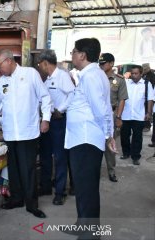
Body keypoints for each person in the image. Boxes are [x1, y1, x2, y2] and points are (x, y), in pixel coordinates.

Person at [0, 49, 52, 219]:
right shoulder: (1, 82)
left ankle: (32, 205)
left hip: (28, 133)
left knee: (28, 170)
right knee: (14, 169)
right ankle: (16, 199)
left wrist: (46, 119)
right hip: (10, 134)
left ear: (9, 60)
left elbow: (45, 97)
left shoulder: (30, 74)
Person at [64, 38, 116, 239]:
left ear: (82, 55)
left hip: (86, 140)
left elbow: (100, 110)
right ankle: (82, 225)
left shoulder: (92, 76)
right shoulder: (91, 75)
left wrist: (107, 135)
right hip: (81, 139)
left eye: (74, 52)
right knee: (83, 186)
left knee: (87, 189)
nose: (72, 55)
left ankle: (91, 235)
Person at [37, 49, 75, 205]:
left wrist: (62, 109)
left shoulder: (62, 76)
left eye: (40, 64)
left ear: (46, 63)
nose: (40, 67)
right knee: (45, 155)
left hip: (59, 121)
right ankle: (46, 186)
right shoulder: (46, 80)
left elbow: (73, 94)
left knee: (60, 157)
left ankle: (60, 192)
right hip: (47, 120)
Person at [99, 53, 129, 182]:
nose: (101, 65)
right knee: (95, 143)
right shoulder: (97, 77)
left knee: (109, 145)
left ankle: (111, 171)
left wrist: (118, 117)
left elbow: (122, 99)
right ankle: (94, 171)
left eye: (104, 63)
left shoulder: (119, 80)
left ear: (111, 64)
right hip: (97, 115)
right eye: (100, 63)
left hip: (111, 115)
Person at [120, 65, 154, 165]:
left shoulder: (147, 84)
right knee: (124, 136)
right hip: (126, 115)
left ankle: (135, 156)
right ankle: (126, 153)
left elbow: (150, 100)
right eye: (132, 73)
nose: (134, 76)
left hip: (139, 116)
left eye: (136, 73)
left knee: (137, 137)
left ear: (141, 73)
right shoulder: (126, 83)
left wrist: (149, 113)